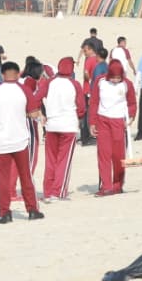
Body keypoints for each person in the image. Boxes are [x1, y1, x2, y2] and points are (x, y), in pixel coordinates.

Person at [0, 61, 45, 223]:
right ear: (18, 74)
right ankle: (32, 210)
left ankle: (5, 213)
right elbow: (33, 114)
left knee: (3, 179)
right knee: (26, 176)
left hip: (1, 141)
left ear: (3, 74)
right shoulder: (24, 90)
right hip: (20, 139)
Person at [35, 57, 84, 201]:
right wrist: (79, 117)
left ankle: (48, 191)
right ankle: (58, 191)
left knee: (51, 160)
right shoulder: (75, 84)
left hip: (51, 126)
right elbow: (81, 107)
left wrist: (40, 115)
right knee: (64, 160)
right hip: (68, 126)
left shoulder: (49, 83)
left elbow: (36, 98)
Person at [88, 59, 137, 196]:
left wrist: (132, 116)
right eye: (113, 77)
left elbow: (132, 102)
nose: (116, 80)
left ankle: (118, 184)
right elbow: (94, 102)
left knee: (118, 155)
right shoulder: (100, 81)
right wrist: (92, 122)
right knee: (104, 154)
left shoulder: (127, 84)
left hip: (118, 122)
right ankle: (106, 186)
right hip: (102, 120)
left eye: (118, 78)